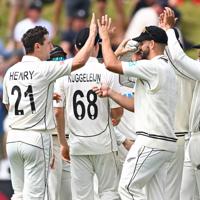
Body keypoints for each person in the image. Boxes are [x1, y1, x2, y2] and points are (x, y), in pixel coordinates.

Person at [2, 13, 97, 200]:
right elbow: (79, 61)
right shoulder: (43, 69)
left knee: (18, 194)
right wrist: (92, 33)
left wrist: (40, 101)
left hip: (13, 138)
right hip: (35, 138)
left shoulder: (11, 71)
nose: (51, 48)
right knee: (35, 196)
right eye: (48, 44)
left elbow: (8, 105)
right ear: (37, 46)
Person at [96, 15, 177, 200]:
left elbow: (110, 64)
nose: (140, 46)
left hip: (151, 140)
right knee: (155, 196)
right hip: (164, 143)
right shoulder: (164, 69)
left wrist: (105, 38)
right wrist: (110, 92)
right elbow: (134, 105)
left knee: (127, 188)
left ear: (152, 44)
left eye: (143, 43)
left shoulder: (153, 67)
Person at [54, 27, 123, 200]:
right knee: (108, 192)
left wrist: (64, 143)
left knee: (82, 196)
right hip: (104, 142)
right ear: (97, 46)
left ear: (77, 48)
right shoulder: (107, 70)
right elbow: (117, 111)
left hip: (77, 143)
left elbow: (57, 112)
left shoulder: (64, 73)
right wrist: (116, 117)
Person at [160, 8, 200, 199]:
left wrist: (168, 31)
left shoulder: (195, 70)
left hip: (192, 138)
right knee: (185, 194)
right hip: (192, 139)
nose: (198, 55)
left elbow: (178, 60)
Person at [48, 45, 72, 200]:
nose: (59, 62)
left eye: (61, 58)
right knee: (53, 192)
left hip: (69, 142)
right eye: (55, 59)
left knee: (68, 194)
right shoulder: (44, 81)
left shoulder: (69, 79)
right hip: (53, 141)